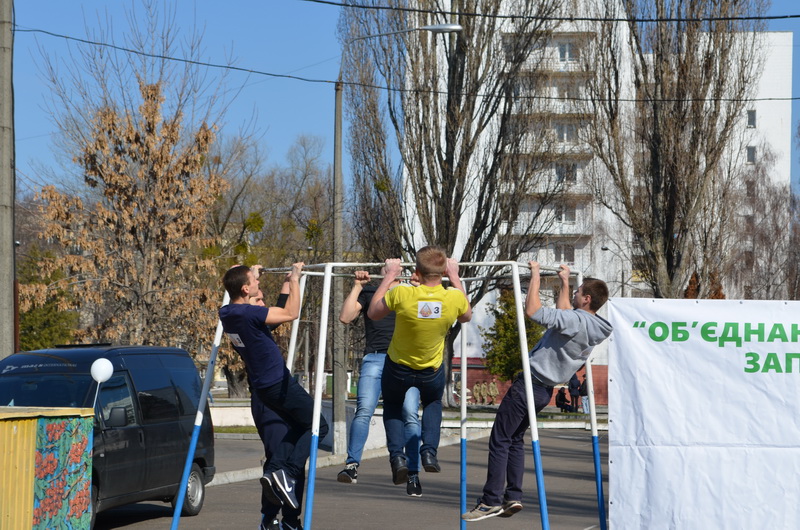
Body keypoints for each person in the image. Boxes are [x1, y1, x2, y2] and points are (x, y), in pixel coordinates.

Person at [462, 262, 612, 522]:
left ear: (587, 299)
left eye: (578, 292)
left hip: (529, 385)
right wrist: (565, 283)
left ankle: (491, 501)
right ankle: (513, 496)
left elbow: (532, 311)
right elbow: (566, 310)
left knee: (499, 440)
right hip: (545, 390)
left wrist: (534, 276)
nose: (574, 295)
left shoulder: (575, 319)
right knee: (514, 440)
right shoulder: (590, 326)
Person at [219, 263, 328, 526]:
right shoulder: (248, 315)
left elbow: (274, 307)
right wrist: (296, 279)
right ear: (246, 290)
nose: (260, 290)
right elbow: (290, 312)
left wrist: (262, 274)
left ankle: (285, 498)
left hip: (265, 387)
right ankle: (283, 477)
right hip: (275, 384)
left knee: (297, 434)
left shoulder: (228, 313)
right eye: (255, 287)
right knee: (317, 426)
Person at [367, 246, 472, 486]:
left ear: (416, 271)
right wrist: (454, 277)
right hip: (430, 370)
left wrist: (389, 276)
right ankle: (429, 452)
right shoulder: (454, 297)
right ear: (443, 270)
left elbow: (373, 312)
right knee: (433, 402)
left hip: (398, 368)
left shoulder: (403, 293)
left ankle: (398, 459)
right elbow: (467, 316)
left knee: (393, 405)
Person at [336, 269, 423, 497]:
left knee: (410, 413)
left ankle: (412, 473)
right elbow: (345, 317)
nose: (394, 269)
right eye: (389, 267)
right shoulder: (371, 292)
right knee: (364, 409)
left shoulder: (410, 291)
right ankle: (352, 466)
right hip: (375, 357)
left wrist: (420, 286)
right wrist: (357, 286)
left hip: (405, 359)